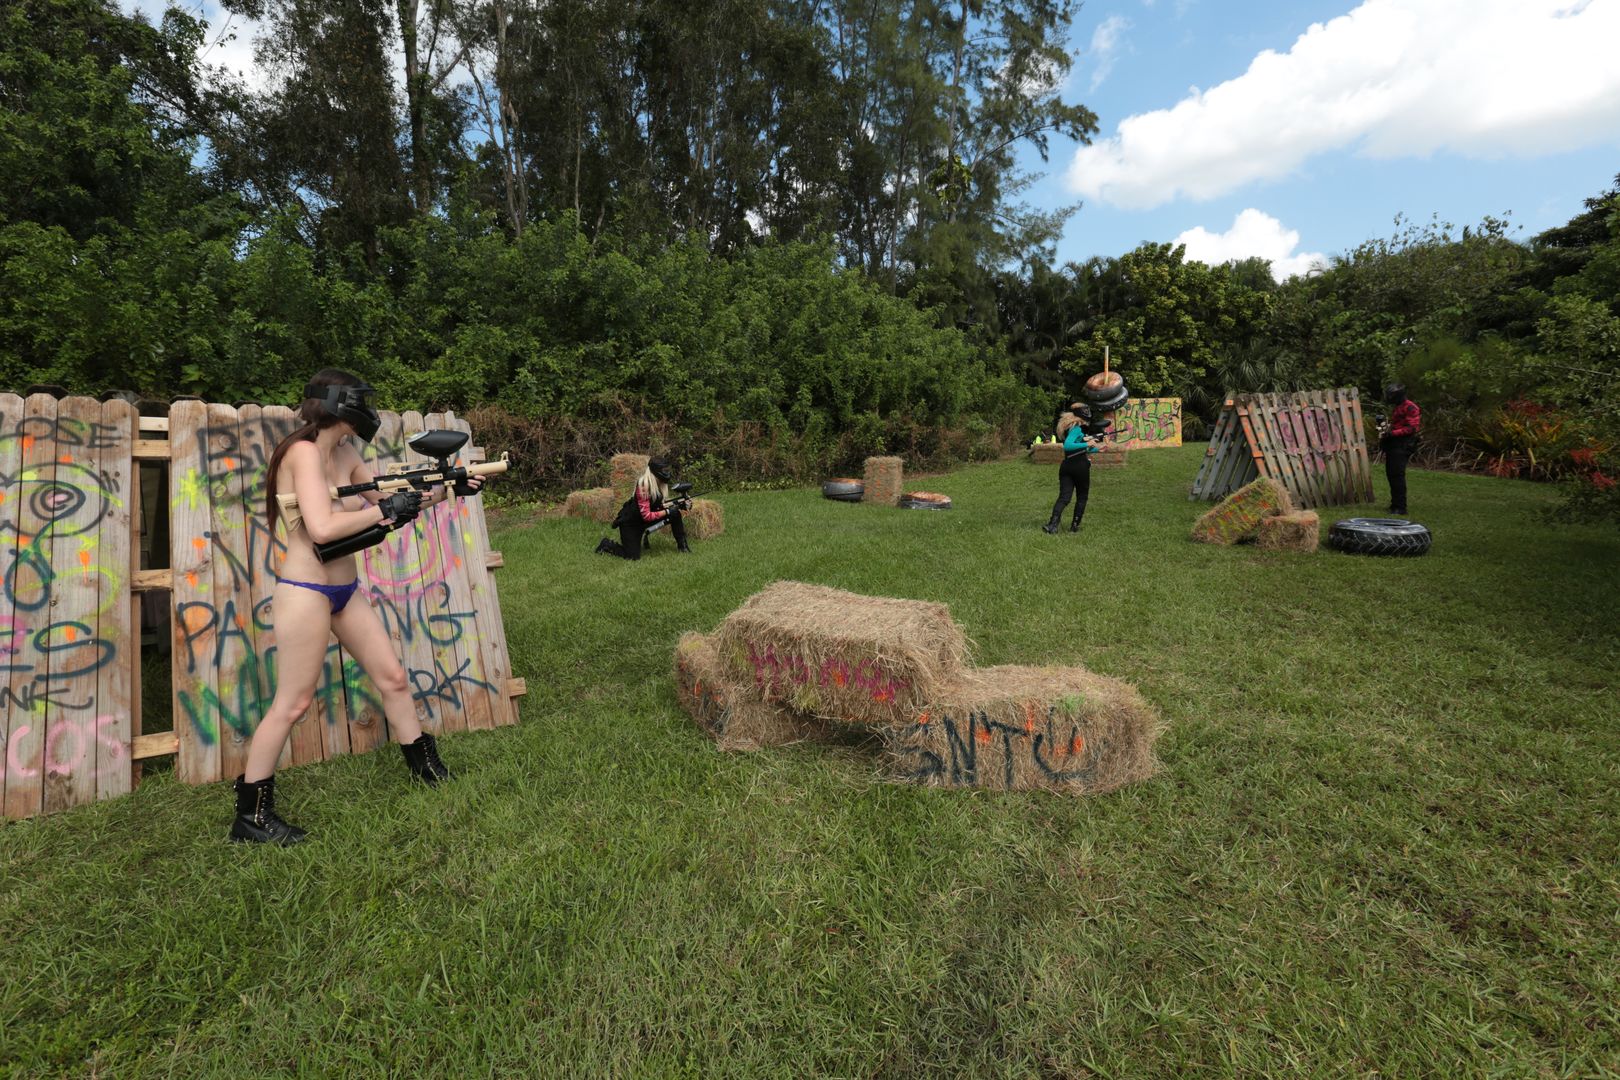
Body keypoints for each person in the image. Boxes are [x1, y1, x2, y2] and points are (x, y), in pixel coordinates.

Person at [231, 369, 482, 845]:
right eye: (362, 402)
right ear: (340, 404)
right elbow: (322, 528)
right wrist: (386, 510)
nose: (368, 411)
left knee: (393, 678)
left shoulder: (344, 453)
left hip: (345, 591)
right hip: (306, 590)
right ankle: (251, 816)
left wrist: (447, 489)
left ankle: (426, 770)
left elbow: (388, 500)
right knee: (292, 704)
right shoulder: (303, 453)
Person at [595, 458, 691, 559]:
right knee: (632, 556)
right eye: (665, 470)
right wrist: (668, 511)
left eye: (667, 470)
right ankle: (606, 544)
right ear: (656, 471)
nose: (667, 472)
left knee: (675, 513)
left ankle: (683, 547)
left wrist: (680, 505)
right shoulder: (643, 486)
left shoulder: (660, 483)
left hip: (644, 521)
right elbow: (647, 516)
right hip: (631, 523)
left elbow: (659, 506)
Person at [1043, 402, 1107, 534]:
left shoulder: (1069, 428)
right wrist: (1087, 444)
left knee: (1064, 497)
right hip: (1080, 467)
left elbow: (1077, 447)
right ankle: (1074, 527)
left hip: (1067, 466)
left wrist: (1096, 449)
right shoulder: (1077, 428)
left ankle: (1052, 525)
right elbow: (1068, 446)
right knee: (1082, 496)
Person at [1379, 384, 1421, 515]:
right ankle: (1395, 504)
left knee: (1397, 475)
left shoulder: (1411, 407)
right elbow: (1399, 425)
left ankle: (1400, 507)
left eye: (1391, 395)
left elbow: (1412, 428)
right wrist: (1387, 430)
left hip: (1403, 444)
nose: (1389, 398)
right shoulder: (1398, 406)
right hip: (1395, 443)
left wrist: (1392, 433)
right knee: (1392, 474)